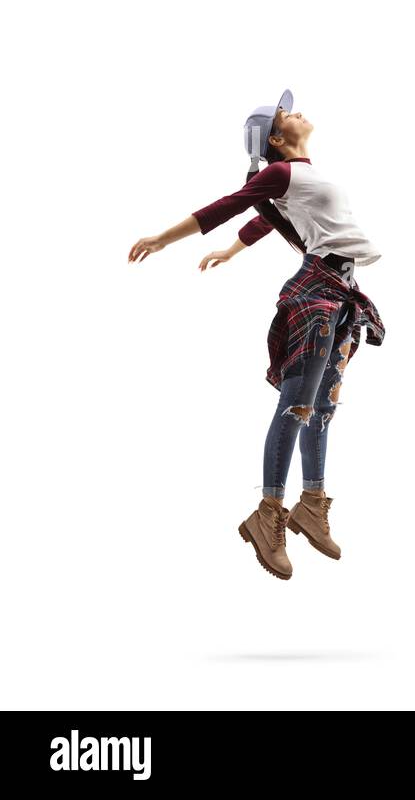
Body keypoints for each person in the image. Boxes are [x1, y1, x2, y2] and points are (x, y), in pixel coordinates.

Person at [128, 91, 385, 580]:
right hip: (317, 290)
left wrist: (232, 250)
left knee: (322, 406)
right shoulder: (281, 172)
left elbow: (268, 219)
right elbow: (230, 204)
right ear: (275, 138)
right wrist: (162, 239)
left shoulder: (300, 177)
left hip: (341, 289)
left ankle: (310, 502)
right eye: (287, 114)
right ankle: (268, 515)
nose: (299, 111)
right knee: (298, 403)